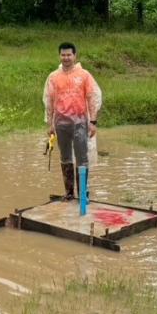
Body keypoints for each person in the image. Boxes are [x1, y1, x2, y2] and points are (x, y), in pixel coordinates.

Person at [43, 42, 101, 200]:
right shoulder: (54, 77)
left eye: (69, 55)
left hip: (80, 123)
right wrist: (50, 124)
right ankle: (69, 193)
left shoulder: (84, 75)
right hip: (61, 123)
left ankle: (83, 194)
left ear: (75, 56)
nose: (66, 58)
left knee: (82, 158)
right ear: (59, 56)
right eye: (63, 55)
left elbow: (93, 98)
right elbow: (49, 101)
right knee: (65, 158)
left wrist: (93, 122)